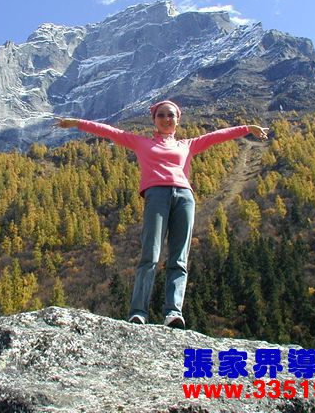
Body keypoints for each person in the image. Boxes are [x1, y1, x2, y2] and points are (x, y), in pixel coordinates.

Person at [55, 100, 268, 329]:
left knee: (179, 258)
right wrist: (76, 123)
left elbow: (217, 136)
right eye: (161, 115)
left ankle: (173, 313)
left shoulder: (188, 144)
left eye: (171, 115)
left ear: (178, 120)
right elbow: (109, 131)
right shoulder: (140, 142)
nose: (166, 119)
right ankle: (138, 312)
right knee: (150, 255)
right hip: (156, 196)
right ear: (154, 120)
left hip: (184, 198)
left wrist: (247, 128)